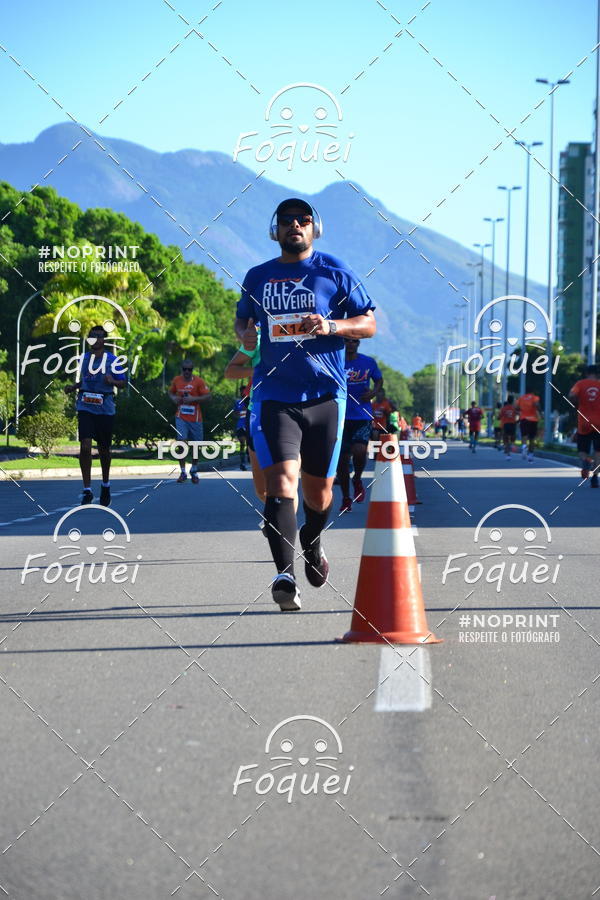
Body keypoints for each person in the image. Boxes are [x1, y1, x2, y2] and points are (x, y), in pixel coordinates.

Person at [235, 198, 376, 611]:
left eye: (303, 219)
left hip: (324, 398)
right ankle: (284, 576)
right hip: (274, 396)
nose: (294, 225)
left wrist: (332, 325)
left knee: (318, 494)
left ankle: (312, 542)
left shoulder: (334, 271)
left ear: (315, 228)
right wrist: (245, 335)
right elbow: (243, 319)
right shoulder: (258, 276)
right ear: (274, 230)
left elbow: (368, 322)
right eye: (286, 220)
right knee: (280, 485)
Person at [64, 324, 126, 506]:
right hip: (85, 406)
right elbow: (84, 380)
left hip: (105, 408)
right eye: (92, 335)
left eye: (99, 336)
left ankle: (105, 485)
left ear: (104, 340)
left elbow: (123, 383)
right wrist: (73, 387)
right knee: (85, 446)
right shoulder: (83, 359)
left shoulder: (112, 360)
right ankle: (87, 489)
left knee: (104, 450)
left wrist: (112, 380)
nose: (95, 338)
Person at [337, 338, 383, 512]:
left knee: (359, 451)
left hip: (362, 415)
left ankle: (357, 478)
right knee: (341, 460)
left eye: (354, 342)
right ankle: (346, 497)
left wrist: (372, 392)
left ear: (358, 344)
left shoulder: (368, 362)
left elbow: (379, 380)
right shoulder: (336, 360)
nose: (350, 344)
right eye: (347, 341)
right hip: (339, 415)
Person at [168, 360, 211, 483]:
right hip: (181, 417)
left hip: (196, 418)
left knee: (196, 446)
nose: (187, 371)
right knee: (181, 442)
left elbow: (208, 397)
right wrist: (173, 398)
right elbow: (170, 392)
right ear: (181, 369)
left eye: (189, 369)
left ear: (192, 370)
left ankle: (194, 470)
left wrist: (194, 398)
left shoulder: (199, 381)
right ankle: (182, 472)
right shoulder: (177, 380)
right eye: (185, 369)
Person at [568, 365, 600, 487]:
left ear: (587, 373)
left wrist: (576, 404)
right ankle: (595, 478)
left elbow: (571, 395)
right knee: (598, 452)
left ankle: (586, 461)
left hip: (584, 422)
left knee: (582, 450)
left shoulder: (580, 384)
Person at [516, 389, 541, 462]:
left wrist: (521, 411)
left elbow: (517, 408)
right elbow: (537, 405)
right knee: (532, 438)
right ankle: (530, 455)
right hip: (533, 420)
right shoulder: (535, 397)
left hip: (524, 419)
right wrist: (539, 410)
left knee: (524, 435)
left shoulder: (521, 398)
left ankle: (524, 447)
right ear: (532, 392)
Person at [233, 385, 250, 471]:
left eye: (244, 391)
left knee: (248, 444)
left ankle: (249, 457)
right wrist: (238, 414)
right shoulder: (237, 402)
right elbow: (235, 413)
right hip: (240, 425)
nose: (242, 392)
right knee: (242, 443)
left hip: (248, 425)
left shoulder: (250, 401)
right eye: (241, 391)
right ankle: (242, 463)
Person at [499, 395, 518, 459]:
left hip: (506, 424)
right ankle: (512, 445)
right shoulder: (514, 408)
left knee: (506, 438)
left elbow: (499, 416)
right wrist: (517, 421)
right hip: (513, 424)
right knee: (513, 436)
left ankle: (508, 454)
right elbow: (518, 414)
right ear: (512, 401)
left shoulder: (504, 408)